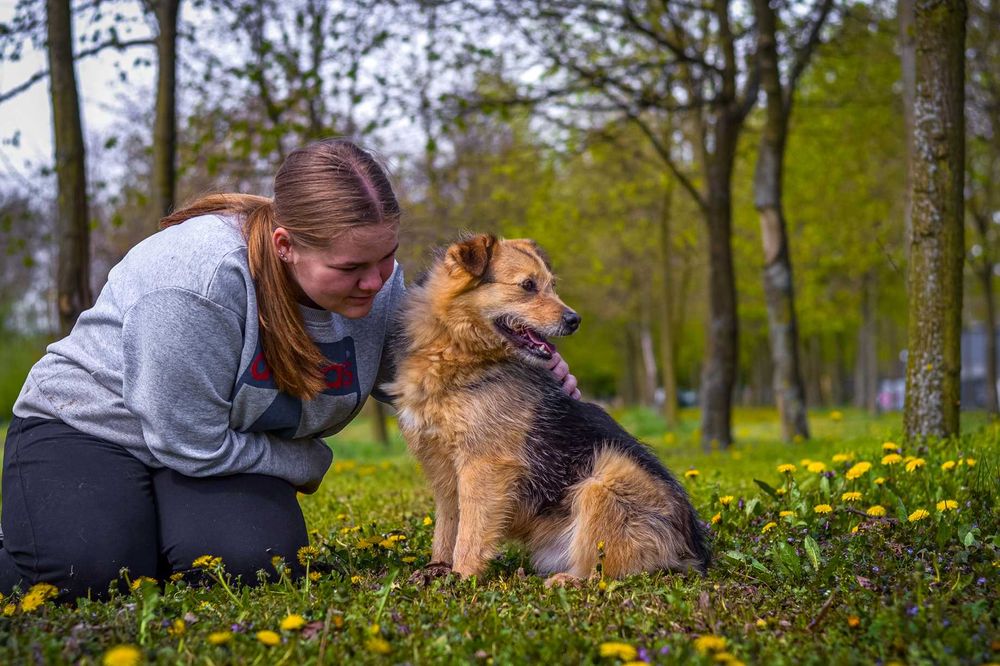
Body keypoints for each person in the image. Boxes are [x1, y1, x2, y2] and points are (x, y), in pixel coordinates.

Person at [0, 138, 579, 601]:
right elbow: (185, 440)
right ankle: (77, 528)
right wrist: (305, 459)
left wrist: (532, 388)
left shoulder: (379, 287)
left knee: (258, 564)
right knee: (82, 574)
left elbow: (426, 380)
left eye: (387, 257)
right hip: (93, 431)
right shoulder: (195, 281)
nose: (377, 283)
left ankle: (132, 528)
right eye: (352, 267)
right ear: (285, 245)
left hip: (217, 449)